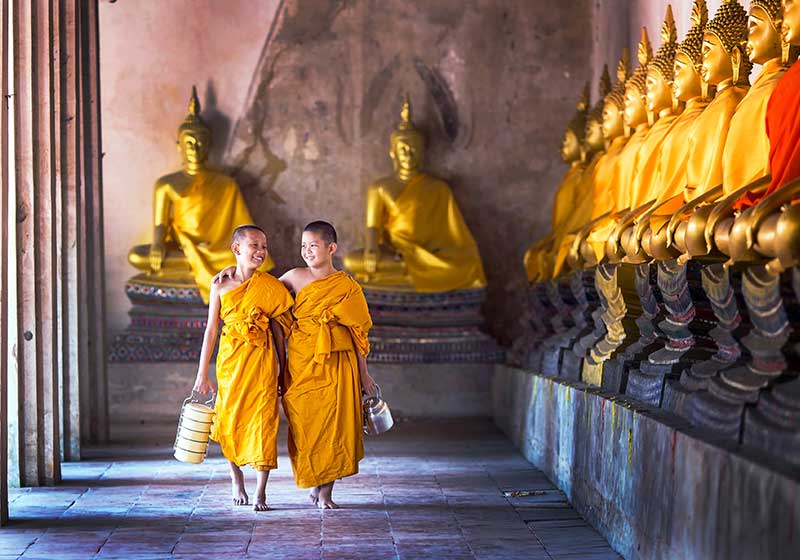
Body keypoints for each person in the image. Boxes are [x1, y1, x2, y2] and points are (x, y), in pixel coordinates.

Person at [192, 224, 293, 511]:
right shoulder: (220, 285)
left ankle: (261, 491)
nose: (261, 252)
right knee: (230, 419)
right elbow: (211, 330)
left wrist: (283, 371)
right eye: (255, 246)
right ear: (237, 249)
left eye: (264, 246)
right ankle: (236, 478)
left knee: (264, 421)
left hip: (262, 362)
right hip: (231, 363)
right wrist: (203, 374)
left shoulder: (270, 286)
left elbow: (279, 334)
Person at [281, 221, 377, 509]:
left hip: (338, 361)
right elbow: (259, 293)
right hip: (303, 361)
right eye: (303, 246)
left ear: (331, 248)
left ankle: (326, 492)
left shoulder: (347, 287)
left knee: (335, 425)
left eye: (313, 245)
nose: (307, 251)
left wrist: (364, 374)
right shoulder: (294, 277)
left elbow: (358, 333)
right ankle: (314, 476)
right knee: (307, 423)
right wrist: (231, 274)